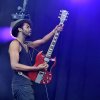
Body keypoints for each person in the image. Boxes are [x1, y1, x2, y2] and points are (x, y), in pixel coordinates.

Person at [8, 18, 63, 100]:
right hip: (21, 84)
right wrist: (36, 68)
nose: (30, 29)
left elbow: (43, 41)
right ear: (20, 29)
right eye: (27, 27)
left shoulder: (27, 45)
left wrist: (55, 30)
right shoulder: (15, 43)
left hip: (27, 84)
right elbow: (14, 65)